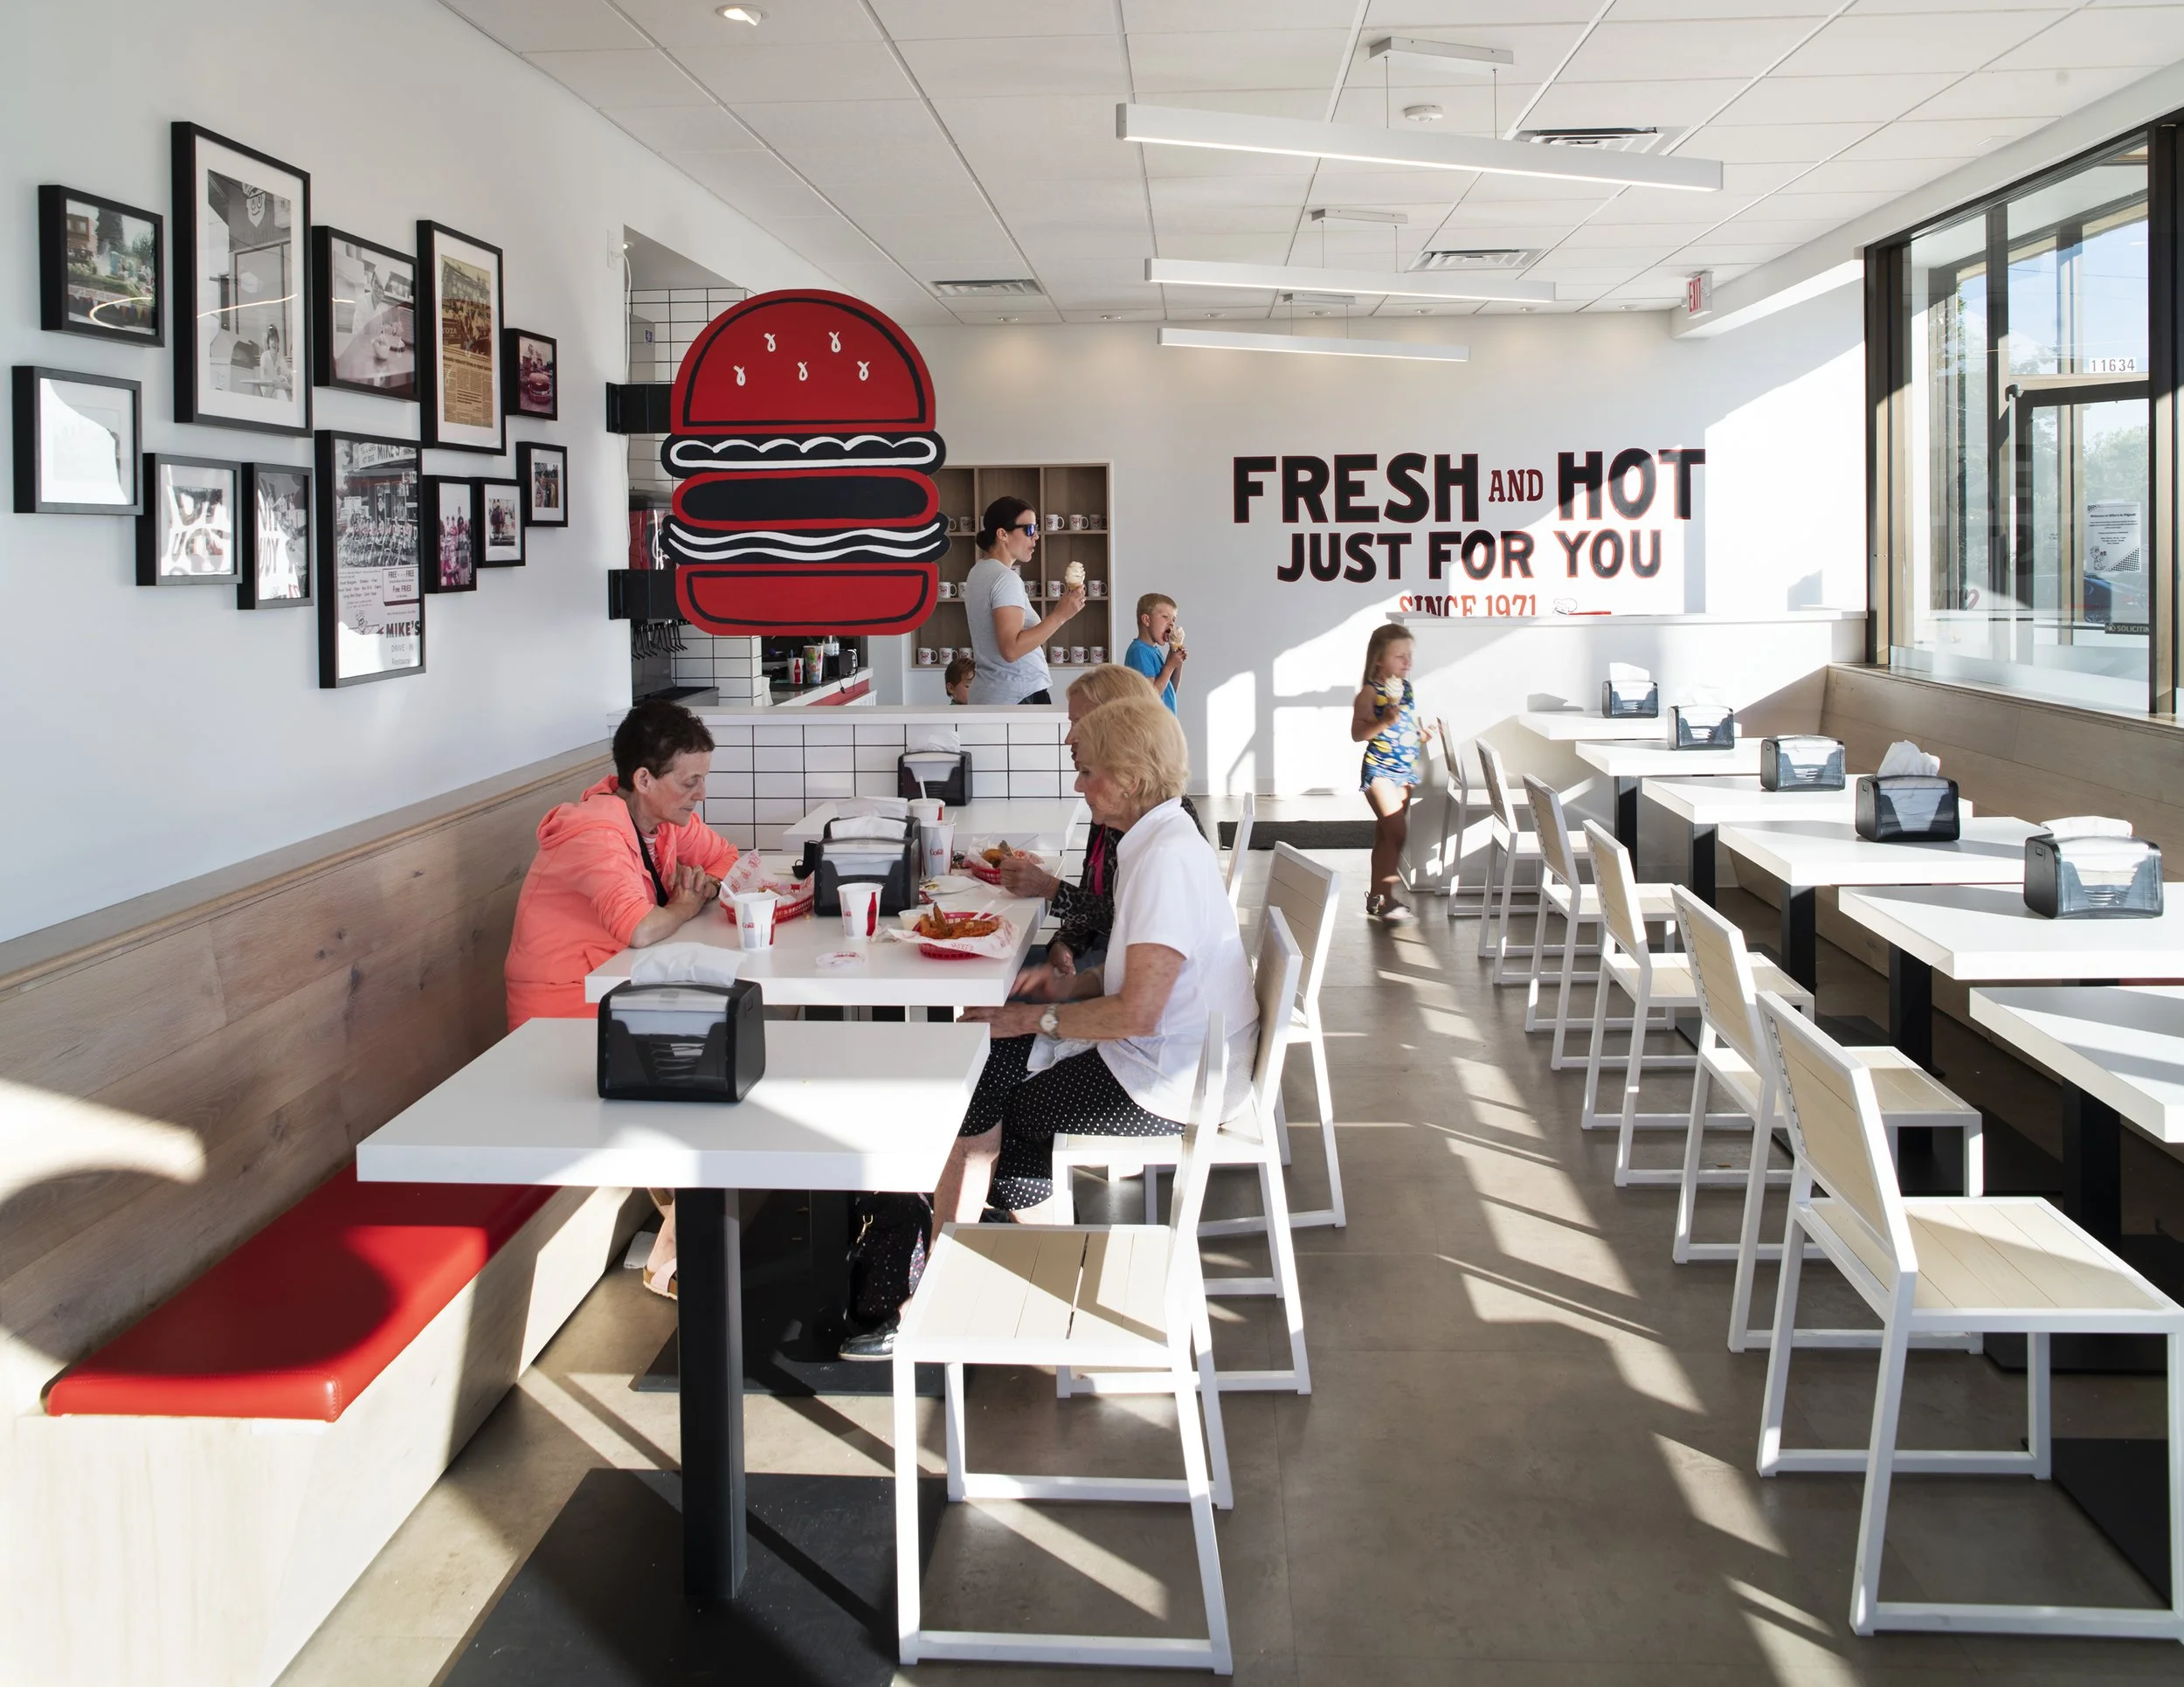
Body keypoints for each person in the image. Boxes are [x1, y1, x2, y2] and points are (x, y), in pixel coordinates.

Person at [842, 695, 1257, 1359]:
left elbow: (1139, 1011)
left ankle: (999, 1284)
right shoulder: (1159, 839)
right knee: (996, 1081)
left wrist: (1034, 1016)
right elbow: (1137, 975)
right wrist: (1066, 988)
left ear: (1127, 776)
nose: (1078, 783)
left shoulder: (1165, 860)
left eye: (1087, 770)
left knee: (1010, 1103)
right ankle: (999, 1266)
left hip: (1173, 1083)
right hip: (1177, 1055)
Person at [504, 699, 739, 1300]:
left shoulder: (662, 822)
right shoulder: (595, 830)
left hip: (616, 998)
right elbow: (639, 927)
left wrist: (704, 885)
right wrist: (686, 905)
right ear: (643, 779)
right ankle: (677, 1251)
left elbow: (727, 861)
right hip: (559, 1020)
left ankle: (682, 1240)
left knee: (718, 1054)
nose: (700, 795)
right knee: (699, 1080)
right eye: (690, 781)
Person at [998, 663, 1171, 996]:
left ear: (1119, 724)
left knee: (996, 1004)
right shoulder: (1113, 802)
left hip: (1119, 977)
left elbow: (1124, 922)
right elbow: (1096, 900)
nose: (1068, 738)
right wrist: (1064, 943)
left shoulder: (1154, 822)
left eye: (1079, 723)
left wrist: (1048, 887)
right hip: (1103, 964)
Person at [962, 495, 1083, 705]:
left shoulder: (978, 572)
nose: (1036, 536)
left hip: (994, 693)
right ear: (1002, 534)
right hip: (1018, 696)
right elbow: (1011, 650)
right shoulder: (1005, 578)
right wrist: (1060, 616)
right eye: (1029, 530)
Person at [1351, 624, 1434, 923]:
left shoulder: (1407, 690)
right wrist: (1384, 721)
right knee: (1396, 830)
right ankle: (1384, 896)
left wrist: (1421, 735)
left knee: (1387, 838)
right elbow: (1358, 733)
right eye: (1399, 656)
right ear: (1379, 660)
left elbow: (1405, 728)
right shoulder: (1370, 694)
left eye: (1409, 655)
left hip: (1404, 772)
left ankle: (1379, 899)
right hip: (1380, 771)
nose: (1407, 662)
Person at [1123, 592, 1185, 713]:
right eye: (1165, 617)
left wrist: (1177, 663)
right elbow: (1150, 696)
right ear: (1146, 620)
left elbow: (1170, 689)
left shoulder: (1153, 651)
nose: (1172, 623)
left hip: (1164, 724)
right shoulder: (1139, 651)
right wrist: (1170, 665)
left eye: (1173, 619)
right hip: (1151, 727)